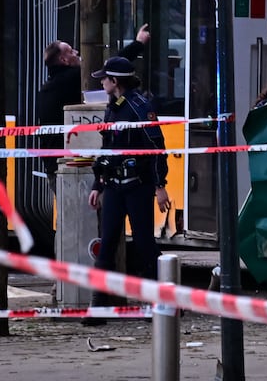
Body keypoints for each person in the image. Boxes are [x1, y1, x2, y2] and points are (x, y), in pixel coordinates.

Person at [82, 55, 170, 327]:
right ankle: (98, 306)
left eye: (104, 79)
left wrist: (159, 186)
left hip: (138, 187)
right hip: (114, 188)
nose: (101, 83)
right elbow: (107, 148)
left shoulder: (140, 108)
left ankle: (162, 303)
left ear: (115, 81)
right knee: (106, 243)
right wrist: (98, 184)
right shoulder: (113, 107)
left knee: (145, 244)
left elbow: (158, 149)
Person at [37, 24, 150, 182]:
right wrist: (138, 44)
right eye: (71, 51)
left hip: (55, 163)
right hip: (72, 165)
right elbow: (109, 67)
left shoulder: (48, 88)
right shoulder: (72, 78)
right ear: (64, 60)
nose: (77, 53)